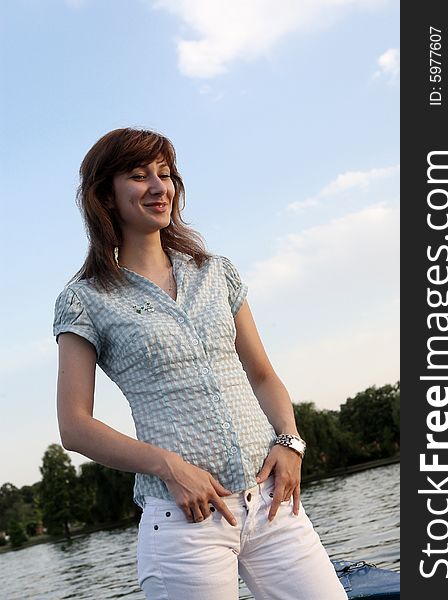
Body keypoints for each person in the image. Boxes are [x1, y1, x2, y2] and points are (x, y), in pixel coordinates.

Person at [53, 127, 347, 600]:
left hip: (272, 505)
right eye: (138, 175)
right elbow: (75, 426)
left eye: (165, 174)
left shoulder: (216, 272)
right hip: (183, 523)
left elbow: (262, 374)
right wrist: (170, 466)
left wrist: (291, 442)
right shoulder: (85, 300)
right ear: (104, 196)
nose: (158, 186)